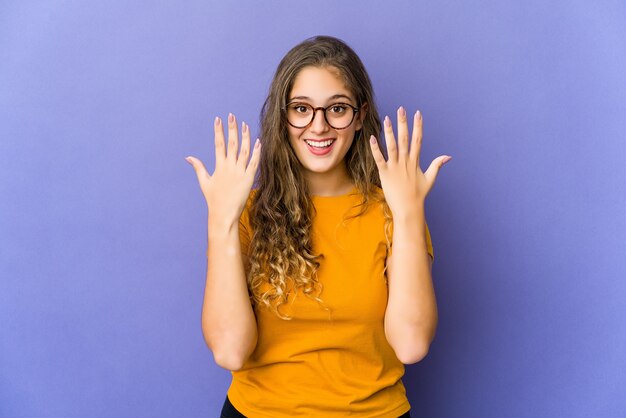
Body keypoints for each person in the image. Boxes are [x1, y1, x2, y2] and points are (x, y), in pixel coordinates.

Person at [185, 35, 451, 418]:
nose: (319, 126)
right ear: (283, 116)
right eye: (301, 109)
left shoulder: (395, 213)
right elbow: (230, 350)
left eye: (337, 109)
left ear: (359, 117)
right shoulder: (248, 214)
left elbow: (411, 345)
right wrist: (221, 223)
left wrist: (409, 214)